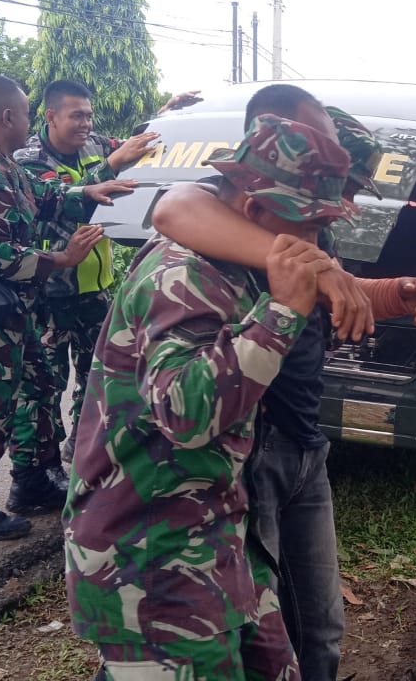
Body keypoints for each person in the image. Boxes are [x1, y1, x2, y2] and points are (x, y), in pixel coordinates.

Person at [150, 86, 416, 681]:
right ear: (270, 135)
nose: (338, 203)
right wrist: (303, 281)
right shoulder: (206, 226)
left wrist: (392, 292)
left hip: (306, 443)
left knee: (320, 627)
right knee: (262, 630)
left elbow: (336, 295)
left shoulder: (303, 221)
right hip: (252, 451)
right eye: (316, 141)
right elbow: (172, 209)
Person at [63, 113, 355, 680]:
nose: (319, 246)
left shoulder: (235, 262)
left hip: (212, 539)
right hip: (149, 558)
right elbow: (186, 413)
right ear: (253, 209)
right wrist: (282, 313)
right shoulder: (182, 274)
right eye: (311, 227)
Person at [0, 73, 136, 542]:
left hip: (14, 307)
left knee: (37, 386)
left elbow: (42, 197)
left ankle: (31, 481)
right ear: (8, 115)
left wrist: (84, 192)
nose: (29, 123)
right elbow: (1, 257)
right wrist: (63, 259)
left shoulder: (0, 163)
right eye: (26, 113)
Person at [12, 79, 167, 481]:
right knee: (43, 385)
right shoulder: (27, 157)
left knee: (100, 376)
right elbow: (59, 199)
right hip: (47, 291)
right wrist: (113, 164)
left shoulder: (95, 144)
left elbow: (135, 142)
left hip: (92, 289)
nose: (86, 123)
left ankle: (83, 452)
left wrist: (169, 114)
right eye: (77, 115)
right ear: (51, 116)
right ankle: (35, 474)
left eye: (89, 115)